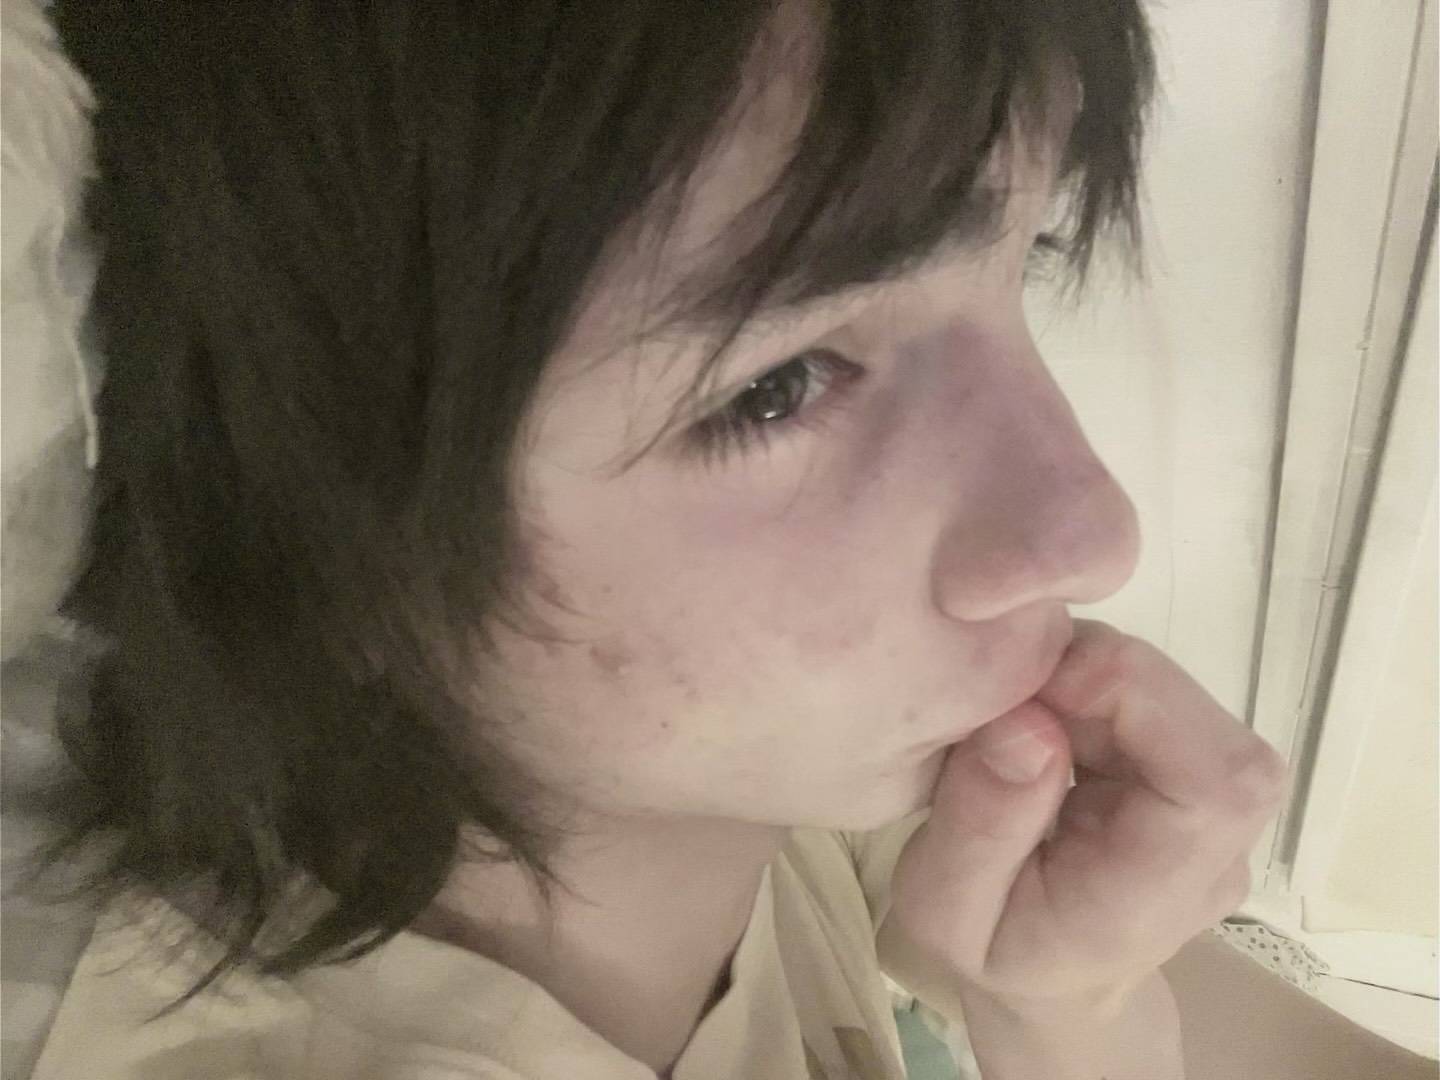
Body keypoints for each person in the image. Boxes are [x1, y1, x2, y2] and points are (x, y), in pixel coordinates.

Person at [13, 2, 1436, 1079]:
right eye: (777, 386)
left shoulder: (769, 804)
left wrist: (1084, 1010)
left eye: (1028, 260)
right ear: (310, 533)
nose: (1090, 530)